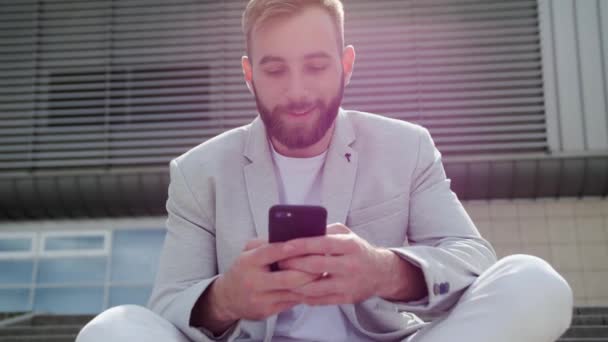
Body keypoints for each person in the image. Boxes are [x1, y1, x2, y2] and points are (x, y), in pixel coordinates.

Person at [76, 0, 573, 341]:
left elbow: (473, 260)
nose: (296, 92)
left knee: (535, 281)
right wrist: (226, 298)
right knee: (110, 329)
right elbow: (166, 307)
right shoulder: (197, 172)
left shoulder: (407, 146)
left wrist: (386, 271)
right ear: (249, 72)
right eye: (274, 70)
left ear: (346, 64)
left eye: (315, 66)